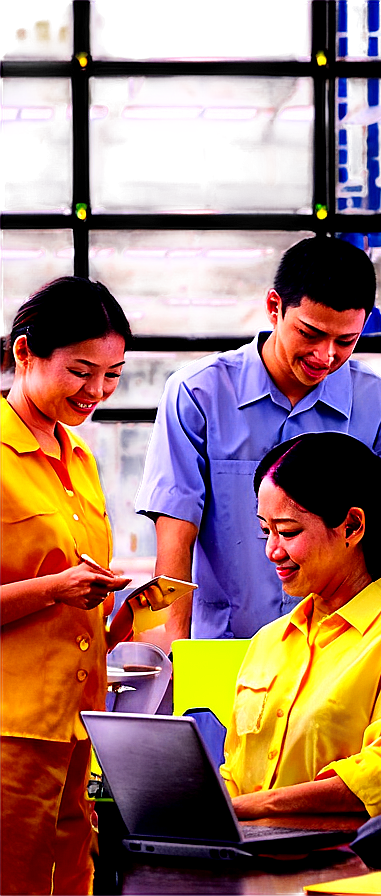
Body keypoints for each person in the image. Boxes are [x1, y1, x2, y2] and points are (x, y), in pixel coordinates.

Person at [135, 236, 381, 643]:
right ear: (274, 308)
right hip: (226, 647)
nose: (325, 355)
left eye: (346, 341)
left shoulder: (380, 406)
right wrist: (175, 654)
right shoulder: (199, 395)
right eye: (310, 333)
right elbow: (176, 532)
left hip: (337, 653)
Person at [220, 432, 381, 818]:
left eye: (289, 532)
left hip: (358, 866)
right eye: (266, 531)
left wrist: (255, 807)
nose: (272, 551)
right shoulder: (269, 640)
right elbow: (236, 771)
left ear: (351, 526)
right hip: (255, 850)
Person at [1, 276, 133, 895]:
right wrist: (56, 589)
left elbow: (70, 593)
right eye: (82, 371)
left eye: (113, 374)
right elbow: (53, 587)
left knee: (72, 882)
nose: (97, 391)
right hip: (10, 733)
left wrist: (119, 609)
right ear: (25, 353)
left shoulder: (78, 458)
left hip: (77, 729)